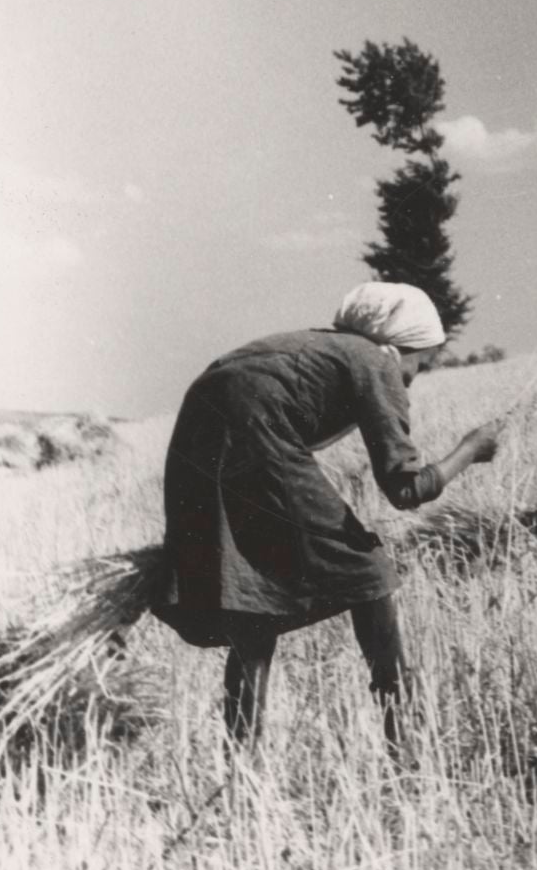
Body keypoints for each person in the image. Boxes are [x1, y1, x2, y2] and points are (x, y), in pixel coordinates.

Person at [152, 281, 501, 752]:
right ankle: (403, 737)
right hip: (257, 435)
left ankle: (243, 762)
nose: (410, 380)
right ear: (400, 346)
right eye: (419, 366)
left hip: (195, 436)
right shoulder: (376, 360)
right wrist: (471, 449)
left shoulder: (323, 346)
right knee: (369, 573)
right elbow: (405, 489)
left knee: (250, 590)